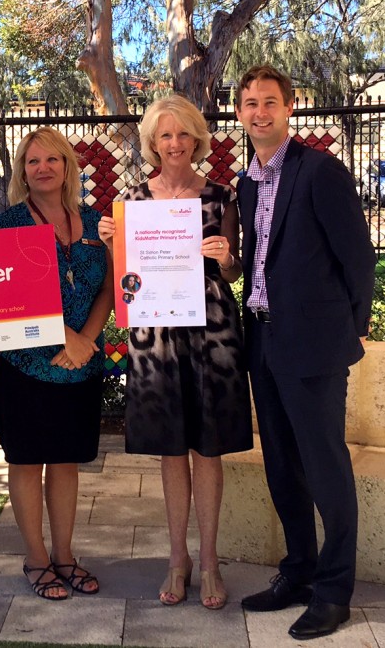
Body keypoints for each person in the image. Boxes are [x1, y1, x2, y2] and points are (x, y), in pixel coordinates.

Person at [234, 65, 375, 640]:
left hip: (314, 345)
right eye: (249, 103)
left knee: (324, 467)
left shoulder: (320, 170)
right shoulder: (245, 183)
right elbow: (259, 263)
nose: (259, 111)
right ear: (239, 112)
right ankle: (299, 569)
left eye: (270, 101)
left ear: (291, 107)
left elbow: (358, 258)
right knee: (282, 467)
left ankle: (335, 590)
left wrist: (353, 329)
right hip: (262, 338)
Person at [98, 96, 252, 610]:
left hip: (211, 332)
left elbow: (232, 274)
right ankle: (176, 559)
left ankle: (209, 562)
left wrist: (228, 257)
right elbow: (124, 280)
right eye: (166, 135)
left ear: (198, 139)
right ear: (152, 143)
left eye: (184, 134)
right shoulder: (133, 203)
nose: (176, 143)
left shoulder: (220, 196)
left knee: (208, 448)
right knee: (171, 448)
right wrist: (108, 242)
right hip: (156, 336)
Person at [0, 126, 113, 601]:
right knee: (26, 461)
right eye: (33, 161)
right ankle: (36, 559)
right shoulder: (9, 225)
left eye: (52, 160)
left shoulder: (98, 222)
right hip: (24, 365)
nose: (43, 168)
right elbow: (11, 298)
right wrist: (66, 337)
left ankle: (64, 556)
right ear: (23, 170)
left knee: (65, 462)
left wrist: (86, 340)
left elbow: (108, 287)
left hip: (80, 365)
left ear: (67, 167)